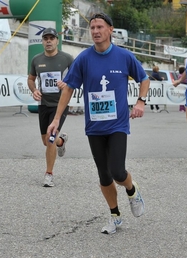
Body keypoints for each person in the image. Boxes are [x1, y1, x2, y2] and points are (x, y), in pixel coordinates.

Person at [47, 13, 148, 234]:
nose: (95, 31)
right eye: (92, 27)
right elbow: (69, 88)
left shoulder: (124, 56)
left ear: (110, 29)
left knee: (118, 171)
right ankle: (115, 216)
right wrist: (56, 119)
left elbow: (144, 78)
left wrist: (140, 101)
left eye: (100, 27)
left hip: (118, 124)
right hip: (94, 126)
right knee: (104, 175)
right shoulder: (83, 58)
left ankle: (132, 191)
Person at [27, 28, 74, 187]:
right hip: (43, 104)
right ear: (42, 41)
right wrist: (34, 90)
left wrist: (66, 83)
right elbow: (31, 79)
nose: (48, 41)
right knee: (46, 142)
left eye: (51, 38)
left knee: (50, 138)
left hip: (60, 104)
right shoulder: (36, 59)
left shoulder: (67, 58)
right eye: (45, 38)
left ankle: (49, 174)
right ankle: (61, 141)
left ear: (57, 41)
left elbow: (76, 78)